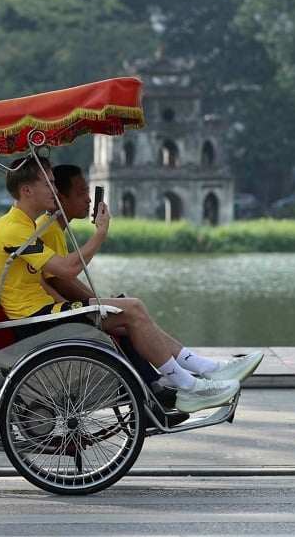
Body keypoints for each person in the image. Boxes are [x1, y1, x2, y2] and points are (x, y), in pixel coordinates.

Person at [0, 156, 263, 414]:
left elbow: (52, 281)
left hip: (42, 313)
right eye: (49, 184)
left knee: (130, 311)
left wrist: (97, 302)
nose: (54, 191)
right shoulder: (14, 229)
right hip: (32, 321)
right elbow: (67, 271)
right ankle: (189, 386)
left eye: (55, 184)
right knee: (132, 308)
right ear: (27, 191)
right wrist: (101, 233)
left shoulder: (27, 226)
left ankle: (199, 374)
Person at [38, 164, 201, 425]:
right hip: (48, 316)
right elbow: (62, 279)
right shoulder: (45, 229)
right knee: (127, 310)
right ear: (60, 197)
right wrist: (100, 234)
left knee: (123, 309)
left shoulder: (52, 229)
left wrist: (99, 302)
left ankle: (157, 389)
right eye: (81, 194)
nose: (89, 200)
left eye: (89, 193)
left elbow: (64, 282)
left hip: (55, 308)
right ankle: (184, 379)